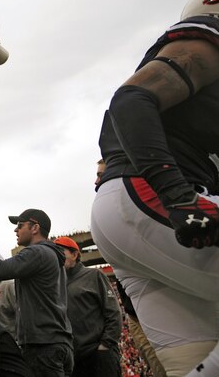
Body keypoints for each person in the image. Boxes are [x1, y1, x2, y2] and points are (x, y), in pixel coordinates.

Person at [91, 0, 219, 376]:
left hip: (130, 212)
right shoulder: (215, 39)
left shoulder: (216, 95)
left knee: (202, 357)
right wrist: (177, 196)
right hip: (149, 196)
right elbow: (131, 99)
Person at [0, 209, 73, 377]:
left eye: (20, 225)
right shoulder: (49, 254)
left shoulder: (37, 252)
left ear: (35, 228)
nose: (15, 230)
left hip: (43, 345)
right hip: (55, 341)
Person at [97, 160, 167, 377]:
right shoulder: (106, 213)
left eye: (101, 174)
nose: (96, 180)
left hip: (157, 309)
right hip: (134, 313)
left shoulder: (136, 204)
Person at [53, 236, 122, 377]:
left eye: (60, 252)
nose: (56, 257)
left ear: (74, 254)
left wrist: (105, 346)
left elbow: (114, 313)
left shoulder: (94, 275)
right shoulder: (55, 285)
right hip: (72, 360)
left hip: (98, 356)